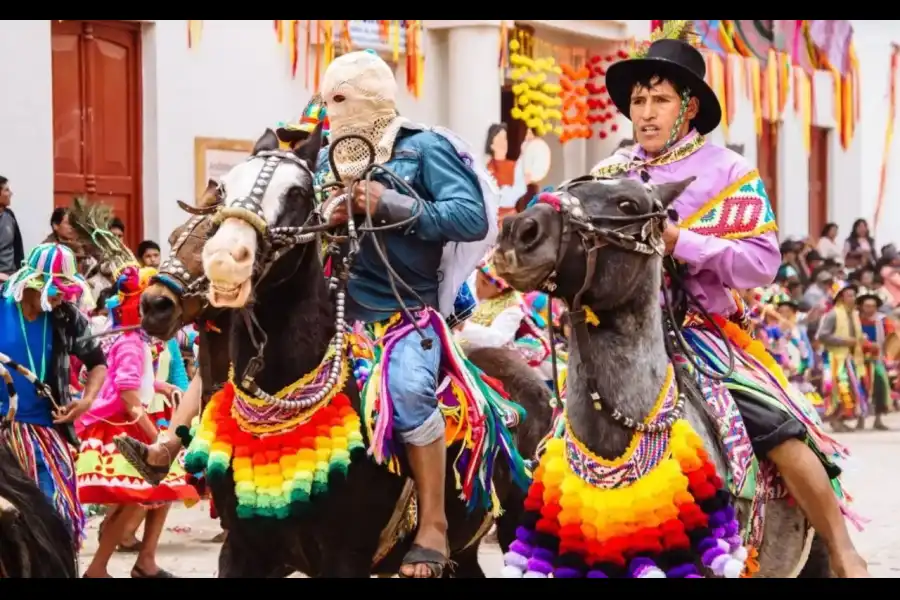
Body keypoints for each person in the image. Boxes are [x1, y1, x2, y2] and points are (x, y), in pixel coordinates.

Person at [590, 33, 868, 577]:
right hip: (615, 336)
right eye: (639, 101)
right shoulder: (605, 175)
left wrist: (681, 243)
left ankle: (841, 549)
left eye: (660, 100)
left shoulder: (728, 172)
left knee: (781, 430)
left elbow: (762, 263)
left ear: (688, 107)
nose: (645, 113)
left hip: (701, 333)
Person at [317, 50, 527, 578]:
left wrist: (389, 203)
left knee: (410, 392)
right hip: (338, 313)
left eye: (340, 98)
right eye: (326, 100)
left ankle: (433, 523)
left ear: (370, 97)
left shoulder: (425, 146)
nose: (331, 111)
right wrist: (328, 213)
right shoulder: (326, 156)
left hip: (406, 314)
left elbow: (470, 216)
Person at [76, 264, 197, 578]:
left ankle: (142, 561)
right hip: (121, 427)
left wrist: (160, 386)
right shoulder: (131, 343)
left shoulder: (134, 341)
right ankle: (100, 568)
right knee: (137, 498)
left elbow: (127, 384)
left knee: (160, 492)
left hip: (127, 424)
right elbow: (129, 400)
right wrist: (156, 438)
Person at [0, 243, 107, 546]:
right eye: (54, 290)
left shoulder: (67, 318)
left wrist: (85, 402)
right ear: (32, 284)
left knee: (57, 517)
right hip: (1, 431)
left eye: (65, 291)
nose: (61, 297)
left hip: (44, 431)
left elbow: (98, 364)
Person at [817, 283, 868, 433]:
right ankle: (835, 420)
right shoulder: (833, 314)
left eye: (854, 295)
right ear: (841, 297)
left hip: (850, 357)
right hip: (835, 358)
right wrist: (845, 341)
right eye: (849, 295)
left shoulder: (853, 313)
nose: (853, 298)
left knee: (849, 389)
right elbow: (823, 335)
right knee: (837, 389)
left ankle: (841, 419)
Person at [855, 287, 894, 430]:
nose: (869, 309)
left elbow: (891, 338)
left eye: (872, 306)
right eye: (866, 306)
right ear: (861, 306)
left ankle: (878, 419)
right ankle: (861, 420)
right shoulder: (855, 320)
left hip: (877, 359)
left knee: (880, 387)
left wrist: (887, 353)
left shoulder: (883, 321)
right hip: (858, 359)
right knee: (860, 388)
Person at [0, 175, 25, 282]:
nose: (10, 193)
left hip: (12, 277)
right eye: (6, 190)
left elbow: (18, 247)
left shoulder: (9, 215)